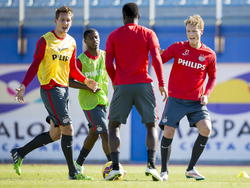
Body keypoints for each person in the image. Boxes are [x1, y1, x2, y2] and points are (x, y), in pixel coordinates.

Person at [11, 6, 98, 180]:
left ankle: (19, 152)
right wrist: (24, 85)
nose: (66, 23)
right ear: (55, 21)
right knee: (68, 128)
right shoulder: (45, 40)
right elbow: (35, 64)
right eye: (63, 20)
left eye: (68, 20)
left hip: (63, 90)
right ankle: (73, 172)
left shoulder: (72, 42)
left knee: (56, 134)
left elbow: (72, 69)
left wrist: (85, 80)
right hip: (50, 89)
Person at [104, 2, 167, 181]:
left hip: (122, 85)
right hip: (143, 84)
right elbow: (156, 59)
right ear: (138, 16)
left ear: (123, 16)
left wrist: (116, 81)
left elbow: (109, 64)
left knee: (114, 125)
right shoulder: (148, 33)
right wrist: (161, 82)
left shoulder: (114, 35)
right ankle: (152, 166)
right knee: (151, 125)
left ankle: (115, 167)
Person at [159, 14, 217, 181]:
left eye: (194, 31)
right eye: (188, 31)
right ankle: (164, 171)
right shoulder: (178, 47)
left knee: (206, 129)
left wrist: (206, 94)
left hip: (196, 102)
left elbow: (212, 77)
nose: (191, 34)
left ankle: (191, 169)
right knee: (169, 132)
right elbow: (160, 60)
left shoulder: (209, 54)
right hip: (176, 99)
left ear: (201, 31)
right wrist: (157, 53)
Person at [69, 28, 111, 174]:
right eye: (92, 38)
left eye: (97, 37)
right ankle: (113, 166)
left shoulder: (106, 55)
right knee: (104, 131)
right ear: (85, 41)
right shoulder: (81, 61)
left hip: (103, 100)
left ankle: (78, 165)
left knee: (94, 133)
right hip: (88, 102)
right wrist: (87, 86)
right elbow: (69, 81)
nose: (95, 40)